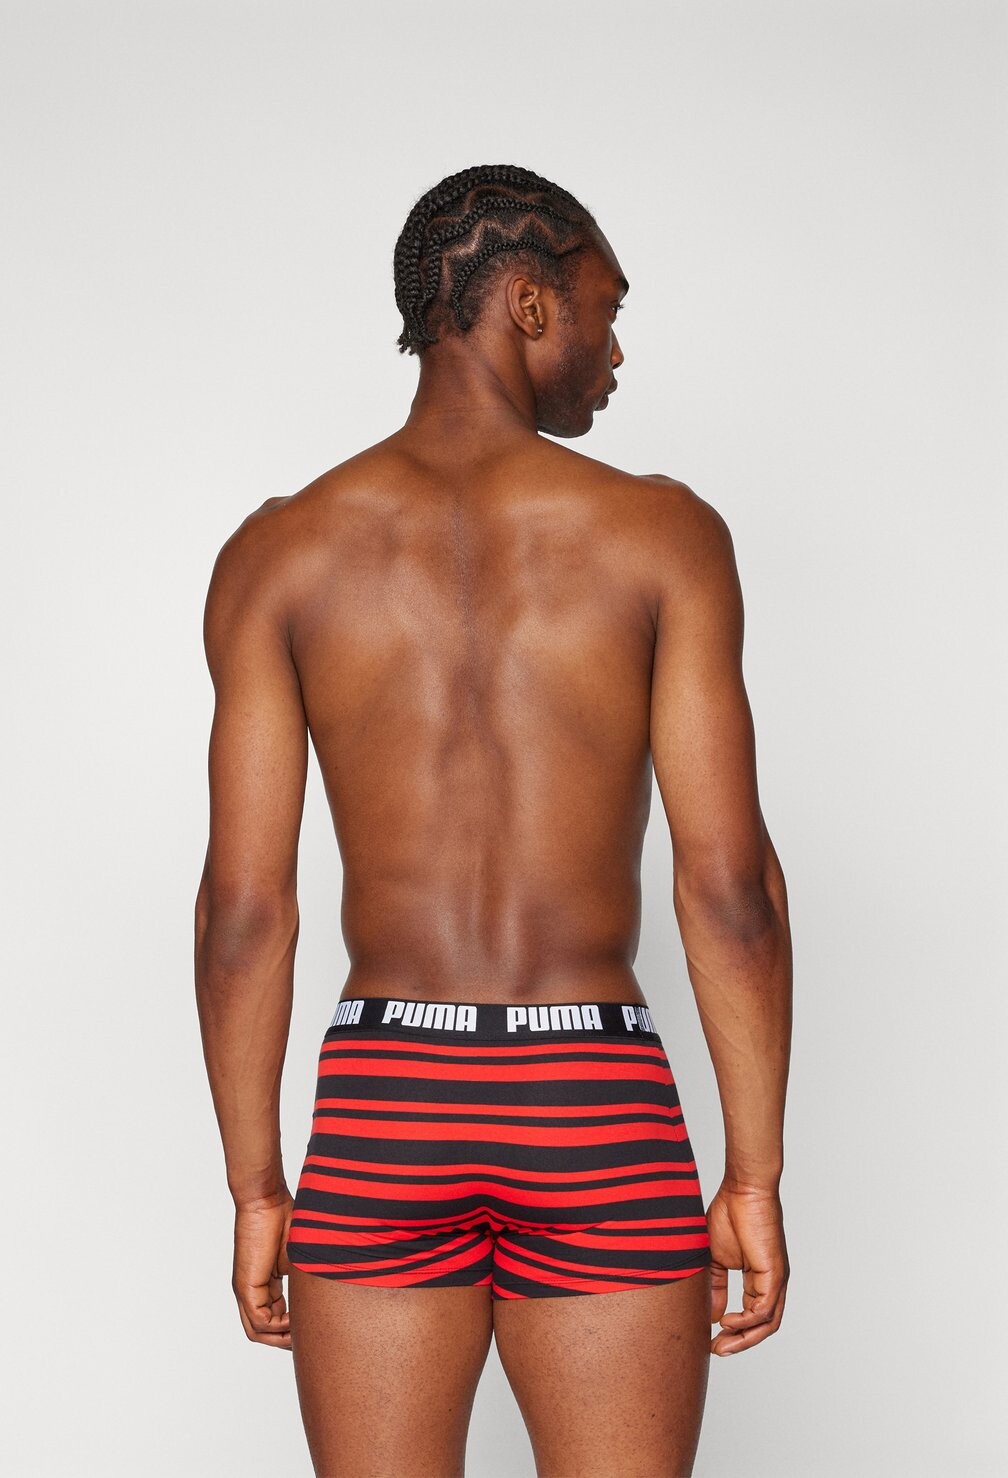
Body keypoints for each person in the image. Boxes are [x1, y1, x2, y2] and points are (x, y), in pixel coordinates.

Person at [194, 163, 792, 1478]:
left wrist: (256, 1186)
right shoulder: (662, 536)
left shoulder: (280, 553)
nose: (617, 350)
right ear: (528, 303)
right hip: (592, 1096)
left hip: (385, 1098)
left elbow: (245, 911)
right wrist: (752, 1174)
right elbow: (731, 889)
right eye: (604, 309)